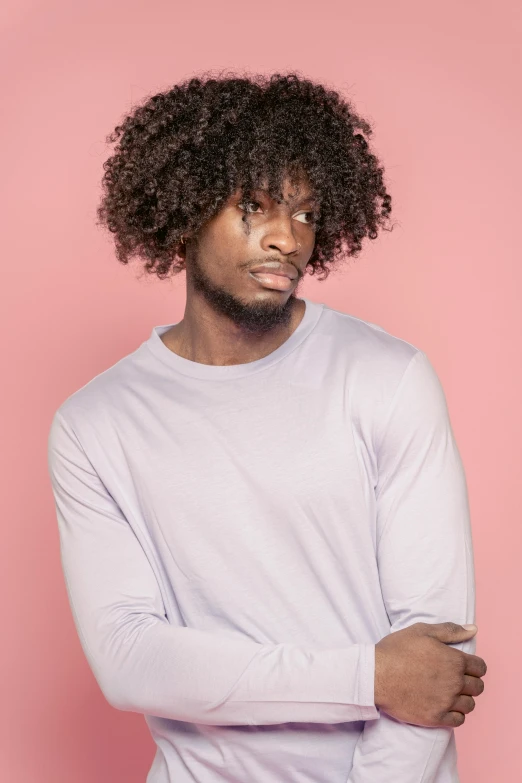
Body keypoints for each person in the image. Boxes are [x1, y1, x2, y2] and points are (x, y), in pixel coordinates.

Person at [47, 71, 487, 783]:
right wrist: (365, 676)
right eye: (254, 206)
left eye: (307, 214)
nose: (288, 237)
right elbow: (130, 657)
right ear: (184, 210)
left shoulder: (387, 377)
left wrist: (394, 687)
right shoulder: (96, 424)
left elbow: (434, 660)